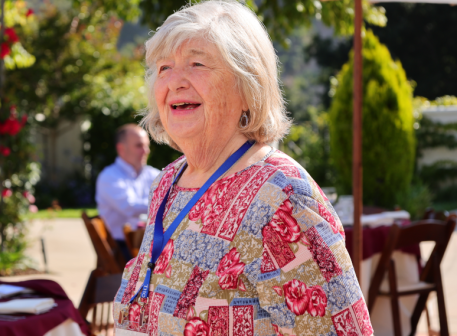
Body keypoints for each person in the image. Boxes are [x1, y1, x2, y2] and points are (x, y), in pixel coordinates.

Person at [113, 1, 373, 335]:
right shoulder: (168, 182)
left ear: (247, 87)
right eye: (164, 68)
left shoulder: (281, 196)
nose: (176, 81)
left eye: (197, 63)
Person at [96, 124, 160, 261]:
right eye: (139, 146)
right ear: (121, 149)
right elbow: (129, 207)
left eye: (147, 145)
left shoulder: (152, 174)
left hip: (144, 243)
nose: (146, 151)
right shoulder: (109, 176)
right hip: (119, 249)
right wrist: (163, 204)